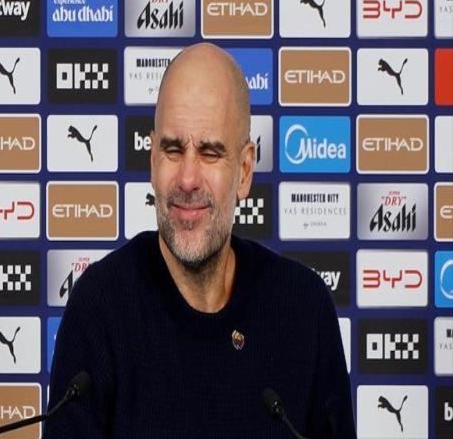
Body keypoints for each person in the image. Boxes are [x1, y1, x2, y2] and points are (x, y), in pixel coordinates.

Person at [43, 43, 356, 438]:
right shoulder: (100, 306)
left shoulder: (303, 308)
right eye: (173, 150)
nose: (188, 179)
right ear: (152, 161)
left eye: (210, 153)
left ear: (244, 171)